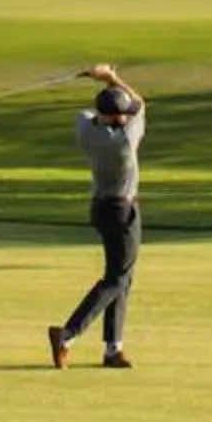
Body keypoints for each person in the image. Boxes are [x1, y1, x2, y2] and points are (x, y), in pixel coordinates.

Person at [48, 64, 143, 370]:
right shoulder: (125, 140)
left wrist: (99, 86)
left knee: (122, 275)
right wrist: (111, 78)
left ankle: (113, 349)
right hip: (122, 210)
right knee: (117, 278)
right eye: (121, 113)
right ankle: (68, 333)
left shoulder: (86, 131)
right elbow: (141, 104)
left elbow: (88, 114)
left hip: (100, 208)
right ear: (117, 117)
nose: (126, 116)